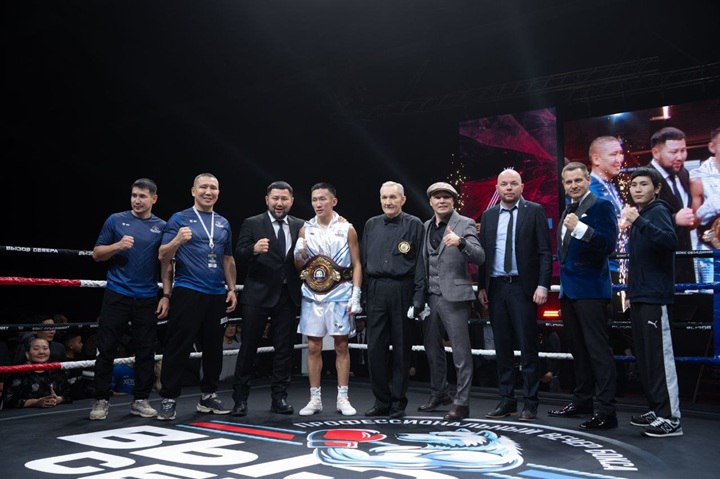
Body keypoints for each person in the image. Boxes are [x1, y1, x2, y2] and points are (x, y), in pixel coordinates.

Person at [156, 173, 237, 420]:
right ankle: (169, 398)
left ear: (218, 192)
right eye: (203, 187)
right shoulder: (179, 218)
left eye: (213, 188)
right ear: (193, 191)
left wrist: (232, 288)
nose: (208, 192)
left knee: (214, 347)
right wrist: (177, 240)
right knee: (178, 346)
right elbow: (162, 255)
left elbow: (227, 259)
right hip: (188, 290)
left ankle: (208, 396)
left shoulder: (223, 222)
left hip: (216, 293)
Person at [89, 178, 171, 421]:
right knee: (106, 348)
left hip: (147, 296)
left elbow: (166, 263)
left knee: (146, 350)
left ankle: (140, 399)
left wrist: (166, 295)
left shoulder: (162, 226)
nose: (137, 200)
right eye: (134, 195)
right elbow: (97, 254)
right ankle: (101, 399)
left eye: (142, 196)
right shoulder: (116, 220)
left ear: (154, 199)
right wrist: (117, 246)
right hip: (117, 292)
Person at [477, 169, 552, 421]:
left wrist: (543, 285)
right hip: (496, 287)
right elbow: (484, 254)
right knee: (502, 347)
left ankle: (530, 403)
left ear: (522, 187)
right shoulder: (488, 216)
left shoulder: (534, 211)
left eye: (513, 183)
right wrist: (482, 286)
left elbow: (544, 252)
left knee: (528, 346)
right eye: (504, 184)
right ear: (497, 188)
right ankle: (507, 400)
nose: (509, 188)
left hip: (523, 287)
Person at [548, 162, 618, 430]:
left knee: (598, 352)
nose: (573, 185)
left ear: (588, 180)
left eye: (578, 180)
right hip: (570, 291)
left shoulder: (601, 206)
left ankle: (607, 411)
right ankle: (582, 401)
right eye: (568, 182)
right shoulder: (569, 209)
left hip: (591, 290)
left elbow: (608, 245)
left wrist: (581, 228)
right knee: (578, 350)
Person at [231, 181, 304, 416]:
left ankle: (279, 398)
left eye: (284, 199)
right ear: (267, 200)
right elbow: (238, 255)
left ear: (291, 201)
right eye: (275, 198)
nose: (279, 203)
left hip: (288, 295)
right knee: (248, 348)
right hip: (258, 294)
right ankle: (240, 399)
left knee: (284, 349)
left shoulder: (300, 225)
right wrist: (253, 249)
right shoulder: (253, 223)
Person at [621, 167, 683, 437]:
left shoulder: (657, 211)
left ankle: (671, 418)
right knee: (646, 358)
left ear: (656, 188)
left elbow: (670, 241)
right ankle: (658, 409)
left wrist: (639, 222)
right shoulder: (644, 214)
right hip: (640, 295)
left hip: (655, 297)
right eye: (634, 184)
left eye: (643, 184)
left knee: (659, 358)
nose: (637, 189)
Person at [293, 182, 362, 416]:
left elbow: (357, 264)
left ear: (334, 201)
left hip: (340, 294)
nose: (318, 203)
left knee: (341, 345)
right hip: (312, 295)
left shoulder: (347, 228)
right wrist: (298, 254)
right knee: (313, 347)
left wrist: (356, 294)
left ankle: (343, 398)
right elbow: (300, 267)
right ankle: (315, 399)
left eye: (322, 199)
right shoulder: (305, 229)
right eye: (314, 199)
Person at [417, 182, 485, 421]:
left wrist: (462, 242)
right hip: (431, 296)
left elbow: (480, 256)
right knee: (432, 348)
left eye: (446, 197)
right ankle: (439, 393)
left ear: (453, 201)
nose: (442, 201)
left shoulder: (465, 223)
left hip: (455, 296)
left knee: (460, 351)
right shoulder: (425, 226)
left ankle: (462, 402)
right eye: (437, 197)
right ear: (431, 201)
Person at [361, 181, 424, 419]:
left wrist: (418, 296)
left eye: (393, 197)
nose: (388, 202)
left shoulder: (415, 224)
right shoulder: (371, 224)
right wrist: (363, 294)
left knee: (401, 349)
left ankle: (398, 402)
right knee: (374, 349)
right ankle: (381, 401)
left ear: (403, 199)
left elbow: (421, 264)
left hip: (402, 289)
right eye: (384, 197)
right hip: (376, 289)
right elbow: (364, 261)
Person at [647, 127, 696, 284]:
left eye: (683, 150)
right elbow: (642, 221)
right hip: (659, 264)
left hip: (685, 259)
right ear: (656, 153)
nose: (680, 157)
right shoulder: (643, 178)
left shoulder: (683, 173)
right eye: (674, 152)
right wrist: (674, 219)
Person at [3, 338, 71, 409]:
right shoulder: (18, 373)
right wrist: (35, 402)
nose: (41, 352)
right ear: (27, 354)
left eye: (45, 348)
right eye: (36, 349)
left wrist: (58, 399)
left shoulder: (56, 369)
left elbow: (70, 394)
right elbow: (8, 401)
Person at [690, 127, 720, 280]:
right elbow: (691, 223)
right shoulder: (698, 178)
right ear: (712, 147)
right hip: (710, 252)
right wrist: (708, 207)